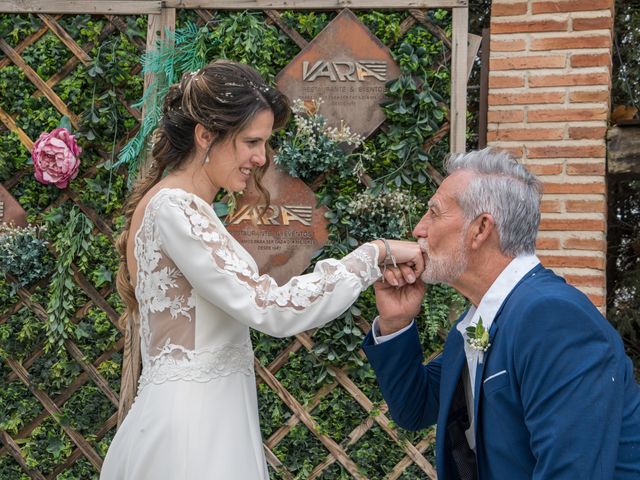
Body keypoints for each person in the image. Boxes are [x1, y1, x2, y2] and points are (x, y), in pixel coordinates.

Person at [99, 60, 423, 480]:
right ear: (205, 136)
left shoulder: (179, 206)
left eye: (265, 143)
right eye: (251, 141)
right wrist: (372, 255)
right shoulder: (174, 208)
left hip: (207, 417)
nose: (261, 157)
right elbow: (271, 307)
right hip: (192, 436)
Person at [362, 147, 640, 479]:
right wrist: (396, 321)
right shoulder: (481, 322)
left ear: (480, 229)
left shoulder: (553, 318)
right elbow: (415, 408)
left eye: (433, 213)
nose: (419, 230)